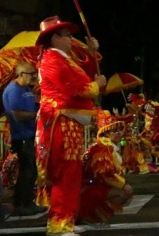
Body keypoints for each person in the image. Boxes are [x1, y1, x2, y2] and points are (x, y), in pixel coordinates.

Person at [35, 16, 106, 236]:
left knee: (72, 174)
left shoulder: (63, 59)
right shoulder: (51, 60)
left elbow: (86, 72)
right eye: (67, 36)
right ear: (55, 38)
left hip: (69, 124)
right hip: (59, 123)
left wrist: (93, 53)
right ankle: (58, 225)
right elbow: (74, 88)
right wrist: (96, 86)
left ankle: (66, 221)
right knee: (65, 174)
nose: (71, 40)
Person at [3, 62, 46, 216]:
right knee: (27, 171)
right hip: (22, 136)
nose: (33, 76)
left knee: (32, 170)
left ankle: (28, 201)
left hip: (30, 135)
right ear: (20, 74)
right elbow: (17, 115)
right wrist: (38, 115)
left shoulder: (26, 89)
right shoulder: (14, 90)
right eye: (30, 73)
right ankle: (21, 203)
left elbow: (32, 107)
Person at [77, 111, 134, 227]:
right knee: (125, 192)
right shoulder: (103, 148)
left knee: (124, 191)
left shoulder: (107, 146)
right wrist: (123, 184)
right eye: (114, 131)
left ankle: (92, 217)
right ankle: (88, 217)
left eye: (119, 130)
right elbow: (105, 174)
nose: (119, 133)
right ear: (106, 134)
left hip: (94, 184)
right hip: (87, 187)